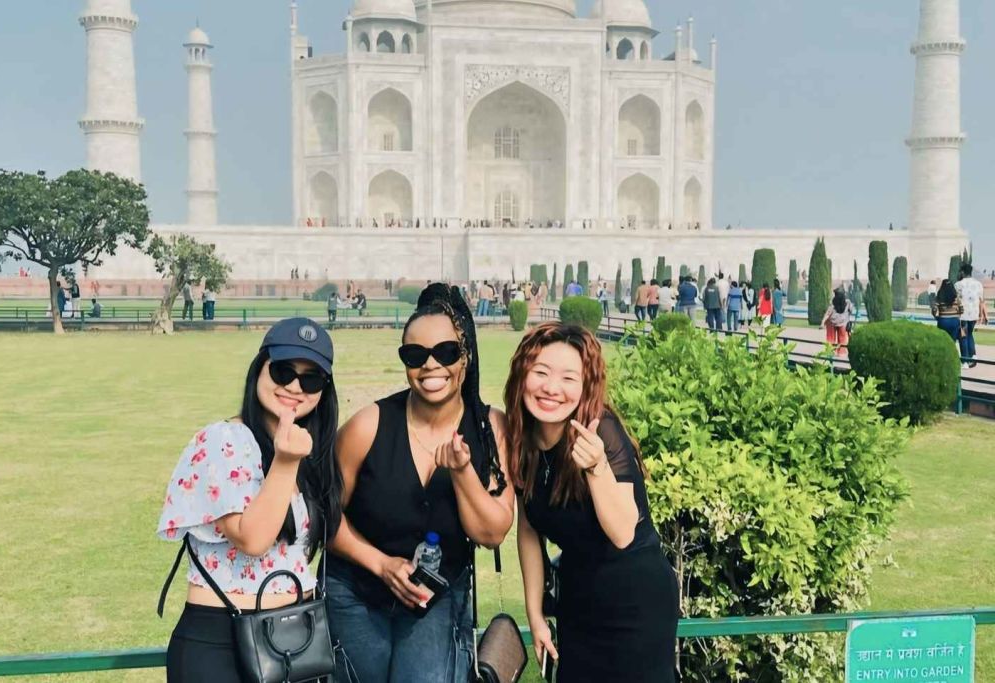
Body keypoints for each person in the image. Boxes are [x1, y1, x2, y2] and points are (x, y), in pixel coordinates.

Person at [325, 284, 514, 683]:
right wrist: (381, 564)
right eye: (415, 355)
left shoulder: (490, 430)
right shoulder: (368, 426)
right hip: (356, 589)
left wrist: (463, 473)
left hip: (438, 594)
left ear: (465, 356)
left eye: (445, 352)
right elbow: (324, 517)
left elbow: (493, 532)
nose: (430, 365)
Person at [157, 318, 343, 682]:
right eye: (282, 371)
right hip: (221, 641)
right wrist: (285, 461)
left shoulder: (313, 451)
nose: (294, 386)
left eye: (311, 380)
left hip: (298, 641)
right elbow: (253, 538)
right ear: (259, 369)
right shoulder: (223, 440)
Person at [505, 322, 679, 683]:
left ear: (585, 387)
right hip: (578, 601)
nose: (551, 388)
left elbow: (623, 533)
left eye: (569, 378)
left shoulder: (602, 432)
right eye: (541, 372)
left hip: (635, 603)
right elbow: (529, 530)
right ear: (522, 375)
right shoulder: (522, 440)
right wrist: (535, 614)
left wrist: (597, 468)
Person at [954, 264, 988, 369]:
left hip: (963, 316)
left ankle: (965, 361)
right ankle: (973, 355)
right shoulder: (978, 284)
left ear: (963, 272)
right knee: (970, 334)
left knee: (963, 336)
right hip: (974, 315)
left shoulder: (958, 284)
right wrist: (982, 315)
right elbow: (982, 301)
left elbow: (955, 300)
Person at [820, 289, 854, 356]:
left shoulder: (833, 303)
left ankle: (830, 351)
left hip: (832, 322)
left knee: (830, 338)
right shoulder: (848, 303)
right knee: (842, 338)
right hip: (843, 323)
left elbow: (827, 314)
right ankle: (841, 352)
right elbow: (851, 311)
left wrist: (822, 323)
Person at [931, 279, 963, 344]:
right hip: (954, 321)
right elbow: (962, 309)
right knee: (952, 342)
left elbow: (934, 309)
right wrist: (958, 315)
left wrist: (936, 317)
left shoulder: (939, 296)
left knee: (942, 342)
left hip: (943, 321)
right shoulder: (956, 297)